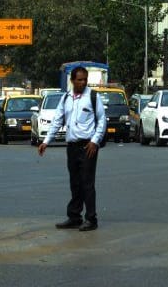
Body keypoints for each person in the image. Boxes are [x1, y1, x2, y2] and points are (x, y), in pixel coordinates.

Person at [38, 66, 107, 231]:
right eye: (79, 79)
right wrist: (46, 141)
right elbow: (57, 120)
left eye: (85, 79)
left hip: (88, 146)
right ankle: (74, 216)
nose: (83, 82)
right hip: (72, 147)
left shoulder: (93, 97)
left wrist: (95, 141)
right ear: (72, 80)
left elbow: (102, 120)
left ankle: (91, 219)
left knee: (87, 183)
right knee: (75, 183)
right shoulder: (66, 98)